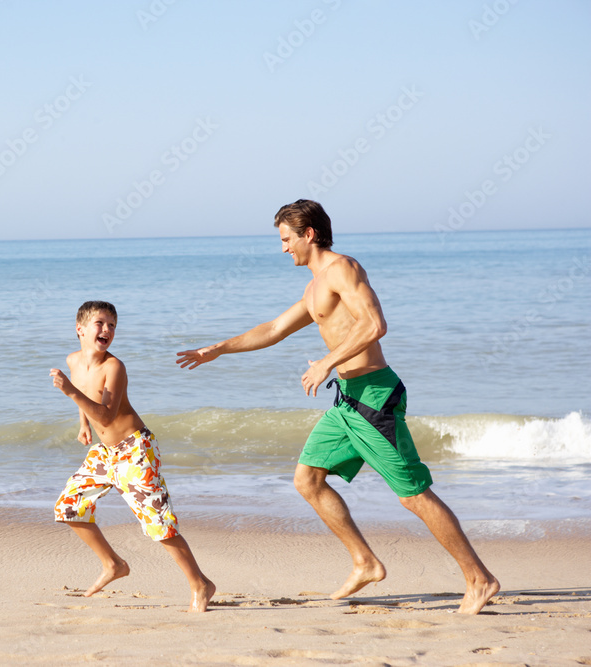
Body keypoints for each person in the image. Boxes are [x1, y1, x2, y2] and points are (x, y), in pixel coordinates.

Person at [175, 200, 500, 614]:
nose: (283, 249)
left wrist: (327, 362)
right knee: (307, 479)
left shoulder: (343, 269)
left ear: (308, 234)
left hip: (375, 398)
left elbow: (375, 324)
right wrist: (217, 350)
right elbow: (274, 329)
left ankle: (479, 578)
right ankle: (365, 562)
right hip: (347, 402)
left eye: (286, 239)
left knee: (413, 495)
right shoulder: (314, 287)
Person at [51, 300, 216, 612]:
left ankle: (201, 584)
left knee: (158, 524)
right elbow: (86, 396)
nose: (107, 330)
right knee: (68, 507)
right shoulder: (73, 361)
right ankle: (113, 564)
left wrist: (70, 391)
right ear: (80, 329)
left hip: (135, 450)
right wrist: (83, 424)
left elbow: (108, 415)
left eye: (112, 325)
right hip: (104, 453)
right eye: (100, 324)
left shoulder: (114, 367)